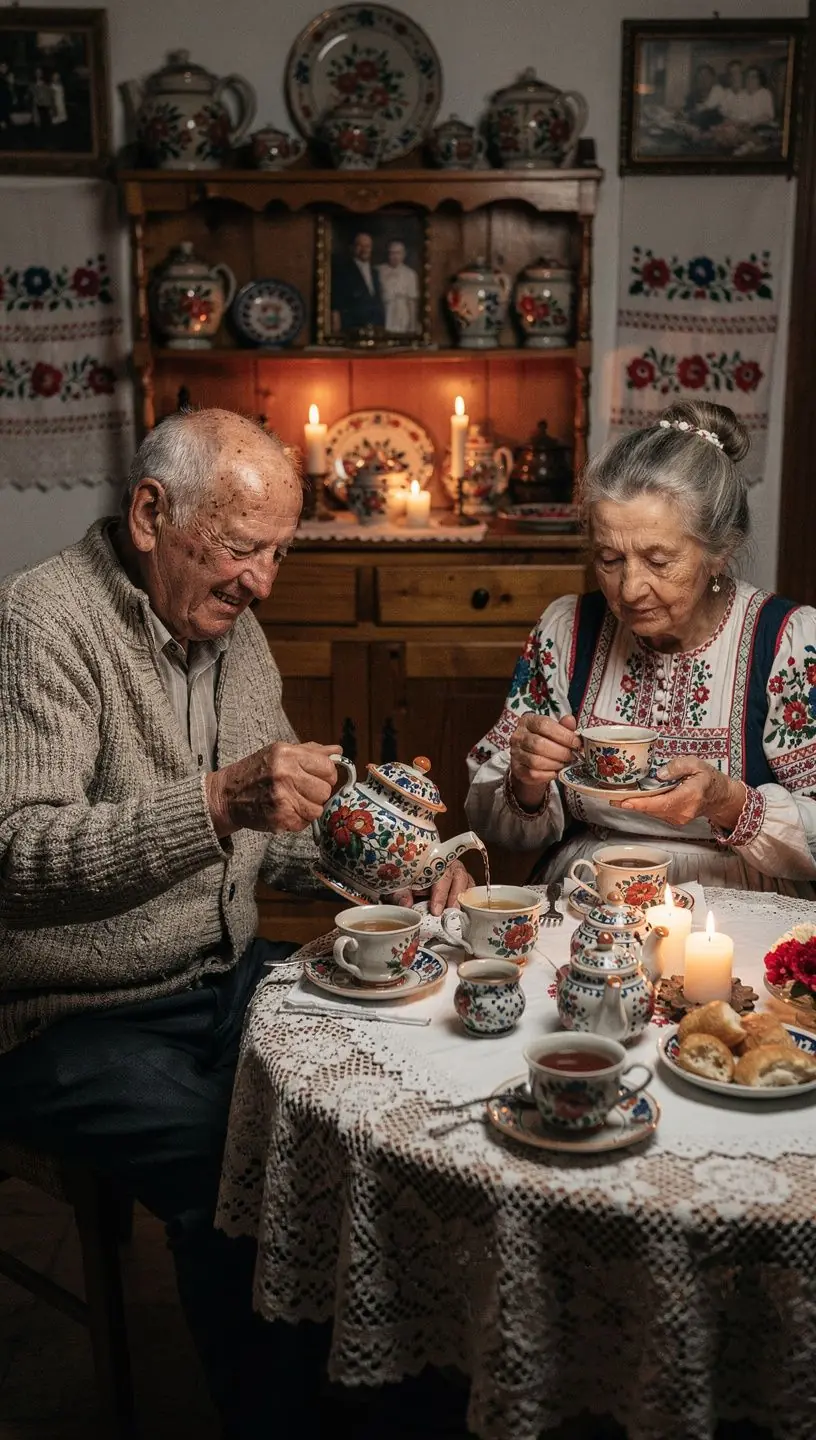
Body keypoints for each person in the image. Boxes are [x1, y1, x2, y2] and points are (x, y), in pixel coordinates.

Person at [0, 408, 470, 1436]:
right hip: (69, 1014)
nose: (263, 581)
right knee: (251, 1166)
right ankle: (301, 1419)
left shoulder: (232, 631)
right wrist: (215, 803)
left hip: (220, 978)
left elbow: (285, 830)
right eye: (243, 548)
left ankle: (410, 1388)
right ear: (151, 513)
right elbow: (17, 859)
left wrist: (398, 853)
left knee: (393, 1101)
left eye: (279, 554)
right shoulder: (42, 622)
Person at [466, 401, 816, 898]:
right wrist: (526, 777)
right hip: (592, 886)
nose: (630, 589)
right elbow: (499, 828)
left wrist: (729, 801)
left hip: (740, 895)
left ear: (720, 553)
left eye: (658, 560)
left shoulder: (787, 644)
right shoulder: (568, 629)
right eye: (609, 558)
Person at [330, 229, 385, 333]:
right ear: (352, 248)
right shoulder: (343, 270)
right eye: (360, 245)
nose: (364, 249)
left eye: (367, 246)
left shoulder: (375, 272)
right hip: (352, 326)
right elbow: (336, 299)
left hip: (374, 327)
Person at [378, 239, 420, 333]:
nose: (395, 256)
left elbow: (412, 302)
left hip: (402, 314)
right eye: (392, 253)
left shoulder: (410, 274)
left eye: (398, 253)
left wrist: (412, 325)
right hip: (384, 312)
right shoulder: (380, 271)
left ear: (404, 254)